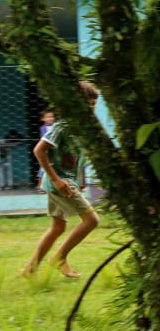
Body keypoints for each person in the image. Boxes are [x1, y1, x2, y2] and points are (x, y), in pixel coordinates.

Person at [21, 82, 100, 279]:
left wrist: (80, 178)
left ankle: (29, 270)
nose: (91, 109)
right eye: (88, 104)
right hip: (59, 182)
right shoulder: (62, 126)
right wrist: (56, 180)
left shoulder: (81, 128)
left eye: (93, 105)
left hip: (66, 181)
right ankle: (59, 257)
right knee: (91, 220)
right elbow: (39, 150)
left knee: (58, 227)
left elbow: (78, 156)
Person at [36, 108, 55, 192]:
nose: (51, 118)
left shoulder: (56, 126)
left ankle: (51, 186)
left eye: (52, 116)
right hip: (45, 151)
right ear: (43, 119)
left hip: (54, 151)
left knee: (53, 167)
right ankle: (39, 186)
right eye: (48, 117)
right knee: (43, 168)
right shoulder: (43, 128)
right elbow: (44, 139)